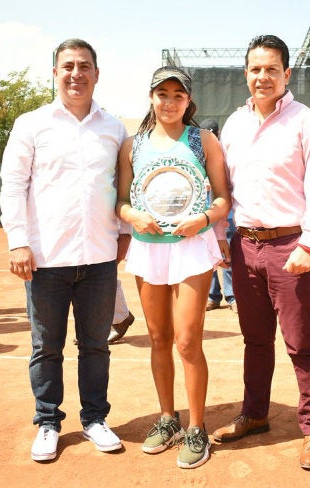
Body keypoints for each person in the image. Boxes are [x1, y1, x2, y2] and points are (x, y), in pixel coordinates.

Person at [211, 35, 310, 471]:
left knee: (302, 343)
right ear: (245, 74)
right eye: (254, 69)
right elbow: (222, 189)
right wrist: (220, 240)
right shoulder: (232, 125)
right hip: (244, 247)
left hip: (292, 247)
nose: (261, 77)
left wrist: (309, 243)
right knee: (255, 340)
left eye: (271, 69)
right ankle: (256, 414)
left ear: (287, 73)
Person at [0, 38, 126, 462]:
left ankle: (94, 419)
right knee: (46, 347)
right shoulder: (31, 124)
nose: (76, 73)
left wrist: (123, 232)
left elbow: (122, 185)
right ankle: (48, 422)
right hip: (46, 259)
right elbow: (13, 185)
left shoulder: (113, 127)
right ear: (54, 73)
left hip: (98, 258)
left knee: (96, 346)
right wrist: (18, 240)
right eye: (67, 66)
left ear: (96, 72)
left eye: (84, 65)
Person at [117, 66, 230, 469]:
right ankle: (168, 419)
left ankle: (197, 427)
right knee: (159, 338)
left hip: (191, 249)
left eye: (177, 95)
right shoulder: (132, 145)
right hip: (149, 250)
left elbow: (223, 198)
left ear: (188, 101)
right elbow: (121, 201)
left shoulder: (204, 140)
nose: (169, 101)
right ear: (151, 97)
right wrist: (132, 217)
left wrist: (203, 220)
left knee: (187, 341)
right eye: (161, 93)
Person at [200, 118, 236, 314]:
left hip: (224, 214)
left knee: (227, 255)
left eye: (212, 133)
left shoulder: (224, 154)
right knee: (207, 257)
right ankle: (212, 297)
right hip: (204, 216)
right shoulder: (196, 154)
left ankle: (232, 296)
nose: (210, 136)